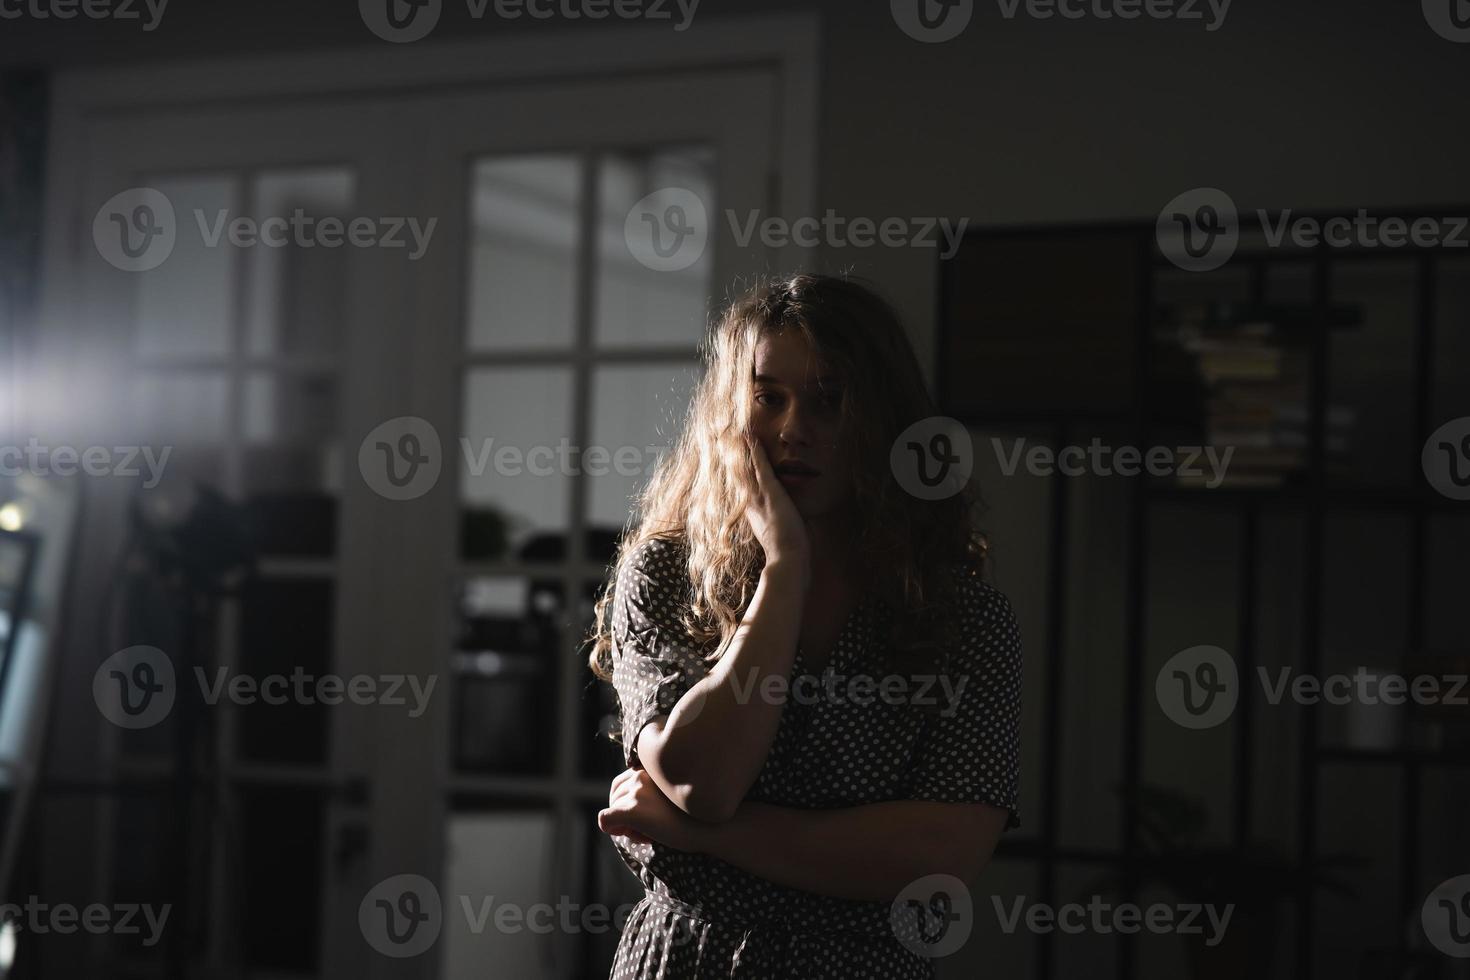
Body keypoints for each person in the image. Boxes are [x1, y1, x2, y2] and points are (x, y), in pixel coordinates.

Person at [587, 273, 1022, 978]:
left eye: (830, 399)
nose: (794, 430)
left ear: (881, 417)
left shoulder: (962, 616)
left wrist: (707, 839)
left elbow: (937, 860)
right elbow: (704, 781)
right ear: (733, 414)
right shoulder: (668, 572)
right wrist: (785, 569)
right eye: (769, 398)